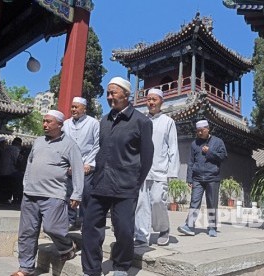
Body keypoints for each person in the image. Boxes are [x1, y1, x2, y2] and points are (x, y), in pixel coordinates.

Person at [81, 77, 154, 276]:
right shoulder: (104, 121)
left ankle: (121, 266)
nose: (110, 97)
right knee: (89, 226)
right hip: (100, 183)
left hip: (125, 186)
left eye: (114, 92)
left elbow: (147, 158)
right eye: (108, 93)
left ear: (126, 95)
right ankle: (91, 269)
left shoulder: (142, 121)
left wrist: (135, 182)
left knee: (123, 230)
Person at [11, 110, 84, 276]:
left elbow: (78, 169)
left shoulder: (70, 144)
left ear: (59, 124)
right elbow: (30, 163)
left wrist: (77, 194)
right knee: (27, 232)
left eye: (49, 122)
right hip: (31, 194)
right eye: (44, 121)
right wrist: (25, 183)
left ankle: (67, 246)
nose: (44, 124)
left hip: (54, 194)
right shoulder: (38, 141)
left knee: (53, 228)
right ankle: (25, 268)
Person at [134, 88, 180, 247]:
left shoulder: (168, 122)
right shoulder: (141, 120)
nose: (151, 102)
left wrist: (172, 172)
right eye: (148, 99)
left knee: (157, 200)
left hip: (160, 169)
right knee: (141, 203)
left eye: (154, 99)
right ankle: (141, 235)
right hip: (142, 170)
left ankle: (163, 228)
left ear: (161, 101)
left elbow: (173, 148)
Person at [177, 120, 227, 237]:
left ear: (207, 129)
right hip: (197, 178)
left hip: (212, 177)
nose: (199, 133)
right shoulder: (195, 144)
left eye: (201, 131)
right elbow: (191, 162)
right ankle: (189, 225)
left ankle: (212, 227)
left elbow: (223, 157)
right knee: (194, 202)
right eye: (198, 131)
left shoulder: (218, 142)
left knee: (212, 203)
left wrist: (209, 152)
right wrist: (189, 178)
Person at [62, 96, 100, 230]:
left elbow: (97, 144)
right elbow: (63, 144)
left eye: (76, 107)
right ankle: (70, 220)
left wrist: (88, 163)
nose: (73, 109)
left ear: (84, 109)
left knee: (86, 193)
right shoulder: (66, 124)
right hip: (70, 165)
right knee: (69, 193)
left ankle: (85, 220)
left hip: (86, 164)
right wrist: (68, 164)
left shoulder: (93, 123)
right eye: (72, 107)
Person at [0, 137, 22, 204]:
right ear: (19, 144)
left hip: (1, 171)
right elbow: (16, 160)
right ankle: (7, 200)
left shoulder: (6, 148)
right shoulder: (15, 149)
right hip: (9, 172)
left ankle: (1, 199)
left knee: (2, 187)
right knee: (9, 187)